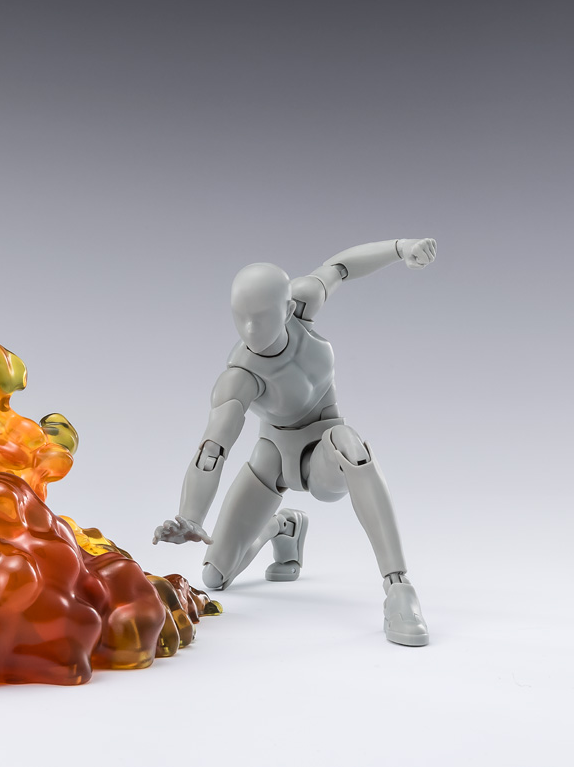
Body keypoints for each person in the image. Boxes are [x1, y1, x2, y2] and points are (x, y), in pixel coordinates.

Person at [153, 238, 437, 646]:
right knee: (214, 576)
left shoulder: (302, 303)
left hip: (323, 451)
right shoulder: (239, 377)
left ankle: (398, 588)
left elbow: (341, 267)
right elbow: (212, 449)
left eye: (262, 317)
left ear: (286, 309)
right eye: (241, 317)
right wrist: (190, 516)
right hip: (271, 458)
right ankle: (282, 526)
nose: (251, 331)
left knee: (351, 446)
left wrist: (401, 247)